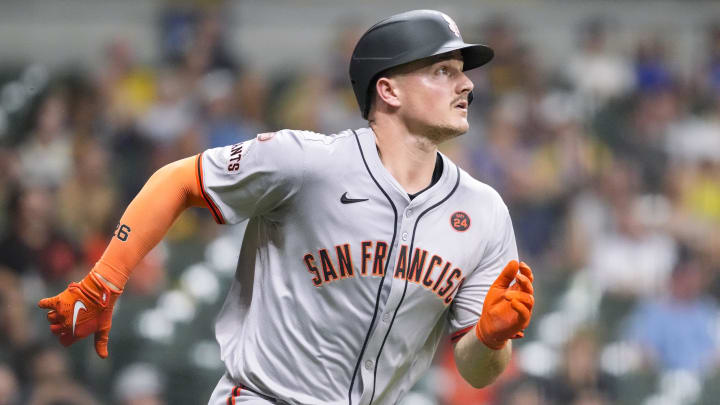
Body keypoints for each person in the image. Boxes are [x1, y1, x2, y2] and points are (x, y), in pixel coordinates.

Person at [37, 10, 535, 405]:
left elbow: (475, 372)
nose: (466, 84)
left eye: (461, 73)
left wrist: (491, 340)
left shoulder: (484, 212)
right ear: (389, 89)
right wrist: (105, 278)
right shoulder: (307, 162)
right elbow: (179, 179)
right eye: (442, 71)